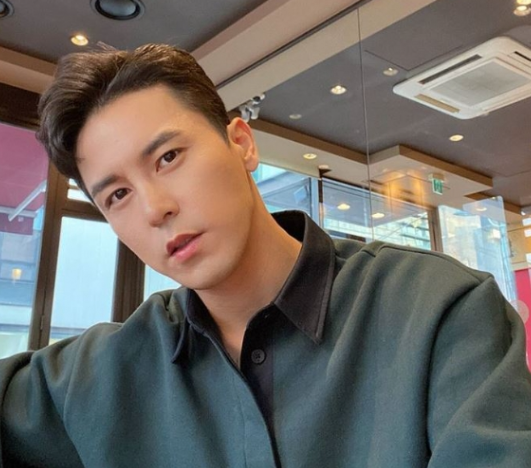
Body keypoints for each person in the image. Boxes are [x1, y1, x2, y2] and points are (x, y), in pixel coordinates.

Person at [1, 44, 530, 468]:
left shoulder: (437, 311)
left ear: (242, 144)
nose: (155, 208)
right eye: (118, 195)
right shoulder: (100, 375)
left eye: (168, 157)